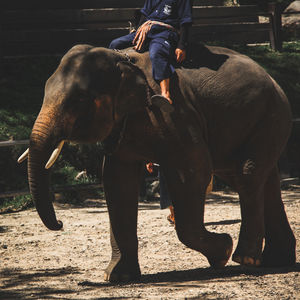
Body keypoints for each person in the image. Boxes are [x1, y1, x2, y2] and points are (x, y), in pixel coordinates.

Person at [109, 0, 193, 106]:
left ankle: (165, 94)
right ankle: (112, 84)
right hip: (146, 30)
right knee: (115, 44)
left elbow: (185, 21)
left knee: (157, 53)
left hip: (165, 32)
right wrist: (137, 31)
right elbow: (144, 14)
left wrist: (181, 46)